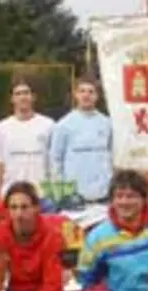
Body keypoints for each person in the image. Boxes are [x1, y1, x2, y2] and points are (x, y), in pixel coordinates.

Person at [0, 79, 56, 199]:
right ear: (12, 99)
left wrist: (57, 194)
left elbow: (55, 162)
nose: (22, 97)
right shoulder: (1, 128)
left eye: (26, 93)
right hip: (11, 196)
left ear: (33, 97)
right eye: (18, 94)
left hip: (43, 196)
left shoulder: (49, 125)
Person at [50, 76, 113, 204]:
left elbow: (111, 155)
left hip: (103, 195)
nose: (86, 95)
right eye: (82, 91)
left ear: (97, 96)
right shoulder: (64, 125)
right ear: (75, 94)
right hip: (74, 196)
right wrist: (61, 194)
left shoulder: (107, 123)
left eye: (91, 92)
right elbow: (55, 160)